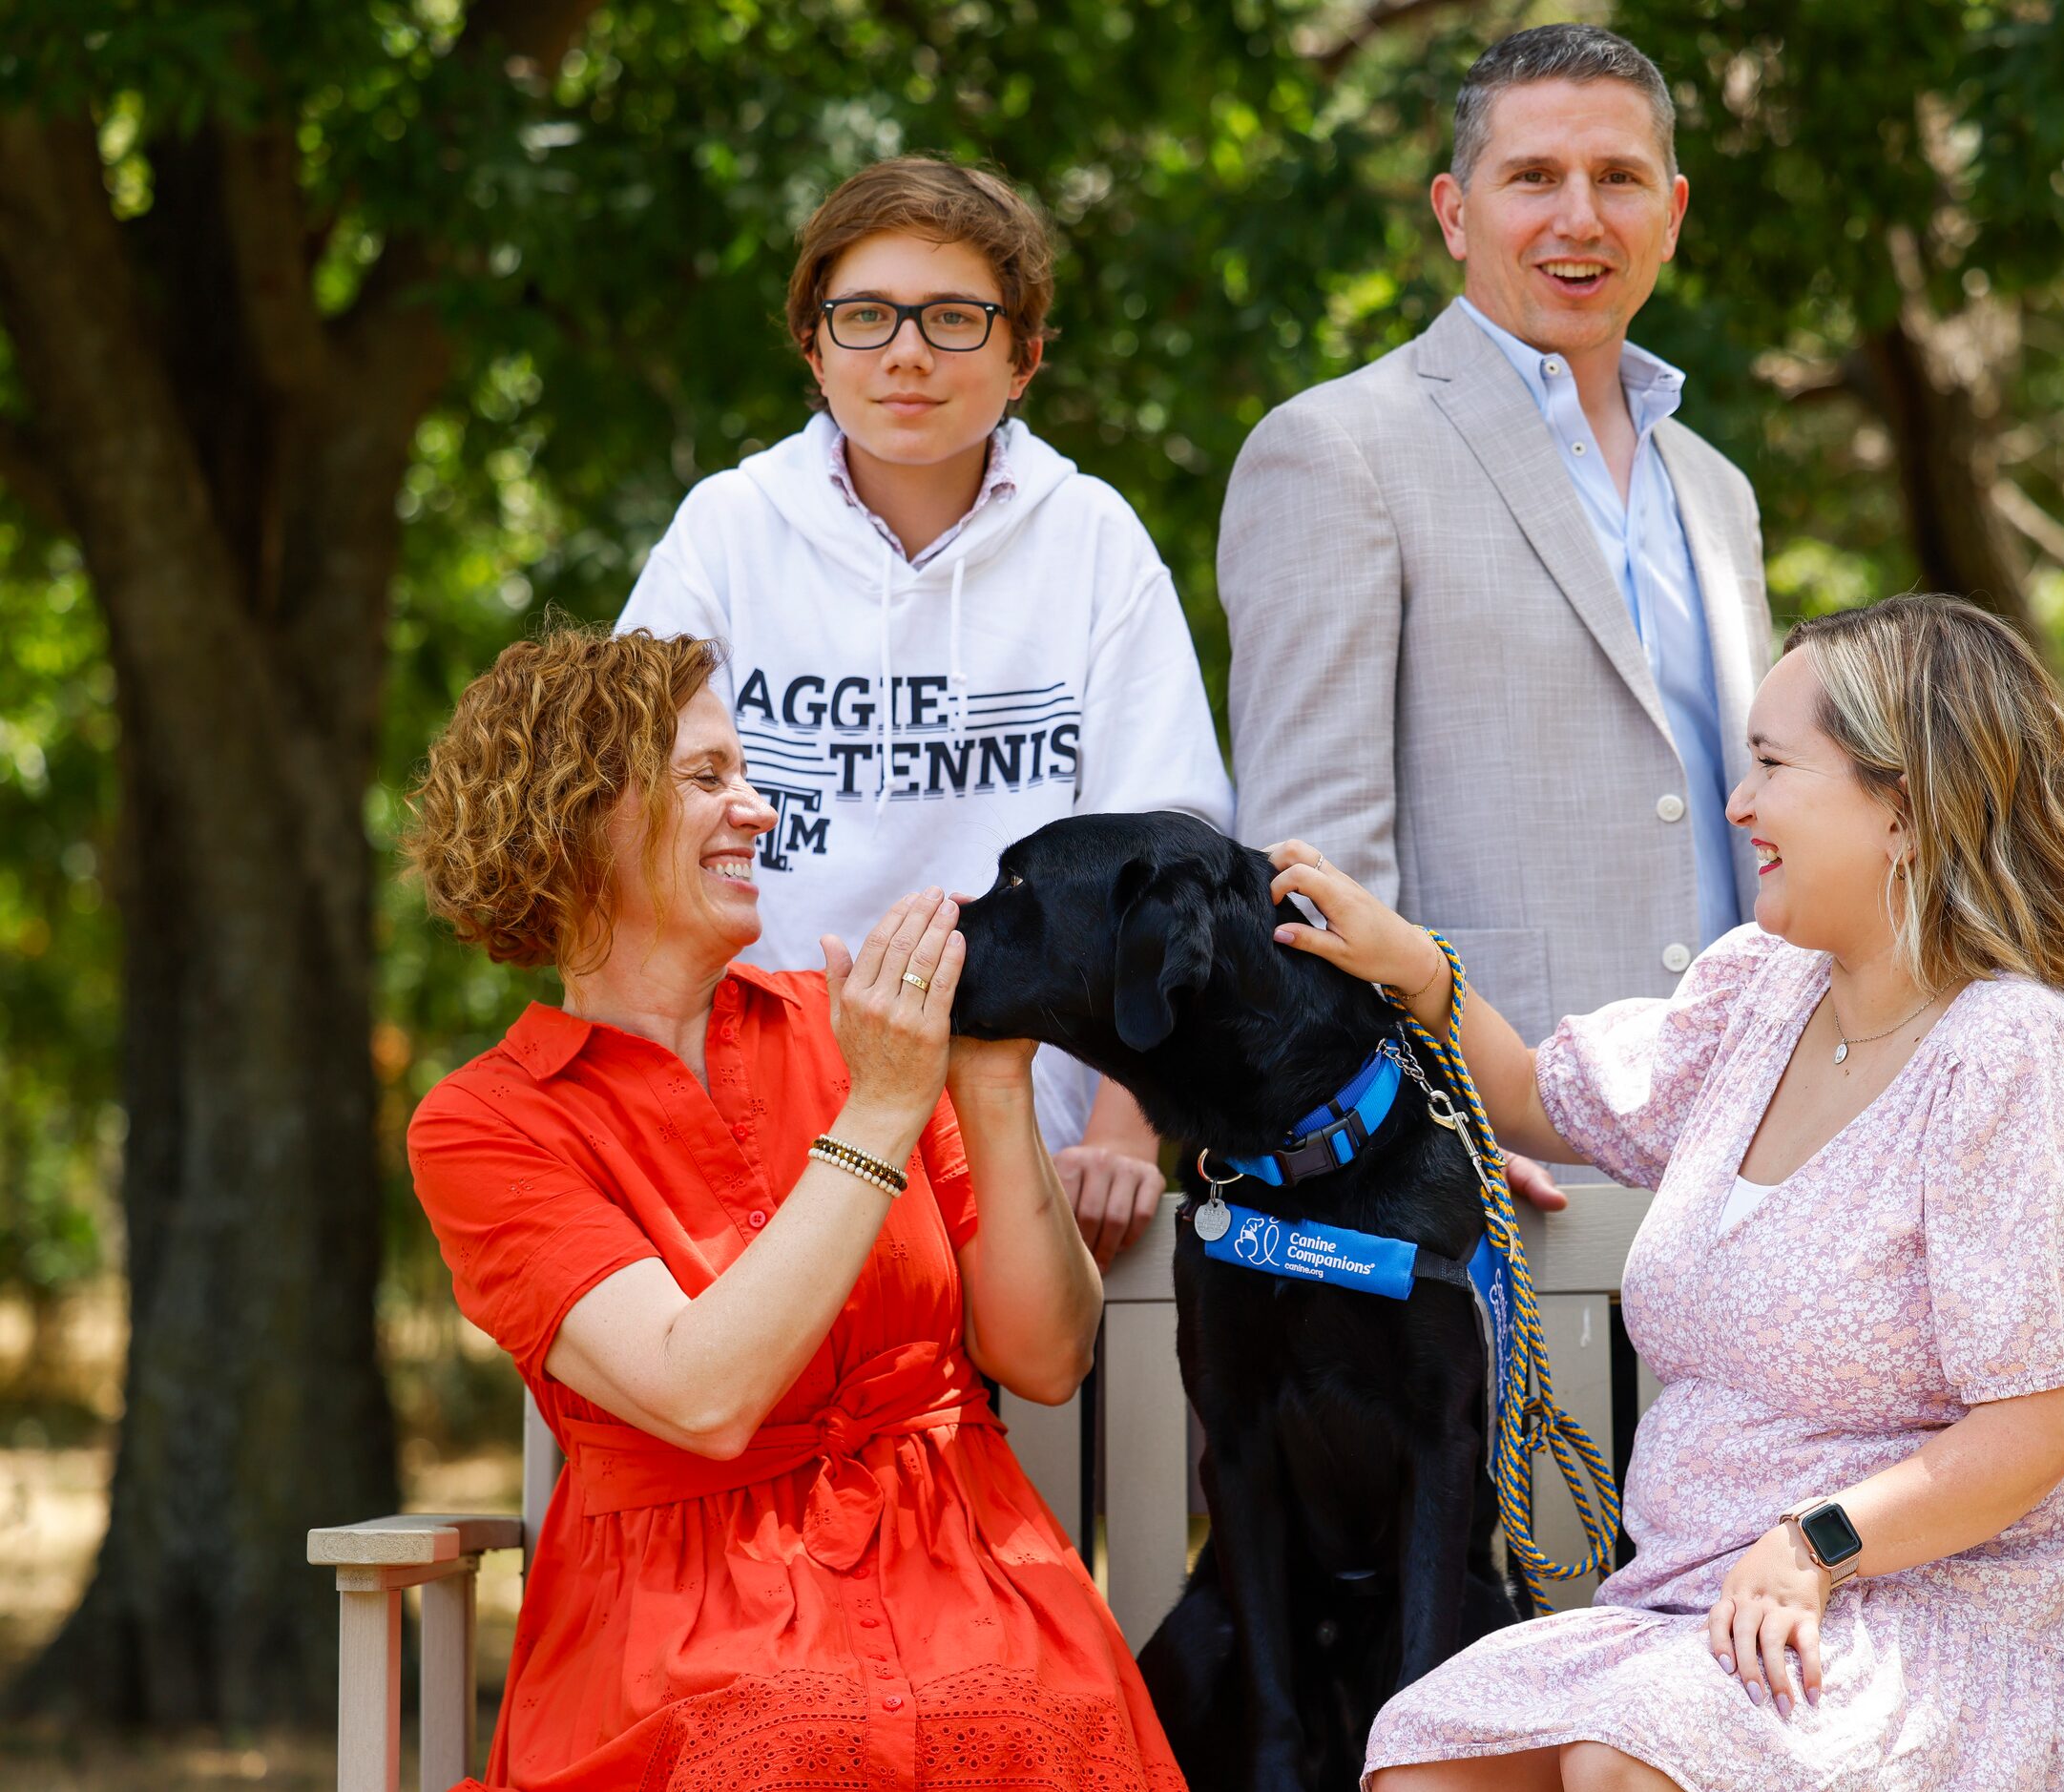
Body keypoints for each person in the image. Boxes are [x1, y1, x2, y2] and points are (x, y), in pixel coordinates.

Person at [1263, 595, 2064, 1792]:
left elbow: (2038, 1429)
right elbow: (1545, 1099)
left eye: (1769, 765)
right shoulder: (1763, 994)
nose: (1735, 805)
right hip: (1697, 1611)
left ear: (1902, 807)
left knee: (1628, 1763)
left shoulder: (2010, 1059)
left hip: (1961, 1624)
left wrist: (1815, 1545)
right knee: (1429, 1757)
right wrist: (1409, 963)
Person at [402, 627, 1181, 1791]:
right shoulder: (488, 1124)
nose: (756, 810)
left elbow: (1046, 1351)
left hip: (980, 1602)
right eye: (706, 778)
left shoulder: (855, 1030)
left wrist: (986, 1078)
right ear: (576, 817)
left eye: (749, 775)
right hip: (684, 1649)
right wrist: (878, 1112)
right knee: (782, 1745)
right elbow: (701, 1392)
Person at [617, 156, 1232, 1266]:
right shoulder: (726, 533)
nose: (906, 352)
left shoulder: (1090, 539)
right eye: (865, 316)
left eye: (952, 318)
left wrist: (1122, 1134)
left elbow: (1170, 854)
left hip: (1033, 1164)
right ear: (812, 346)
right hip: (757, 1149)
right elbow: (625, 832)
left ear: (1023, 355)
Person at [1217, 24, 1769, 1196]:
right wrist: (1427, 1141)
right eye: (1532, 178)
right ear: (1454, 212)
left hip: (1737, 1157)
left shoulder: (1716, 489)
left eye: (1616, 178)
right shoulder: (1333, 451)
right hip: (1493, 1168)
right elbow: (1314, 874)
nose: (1578, 216)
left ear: (1669, 214)